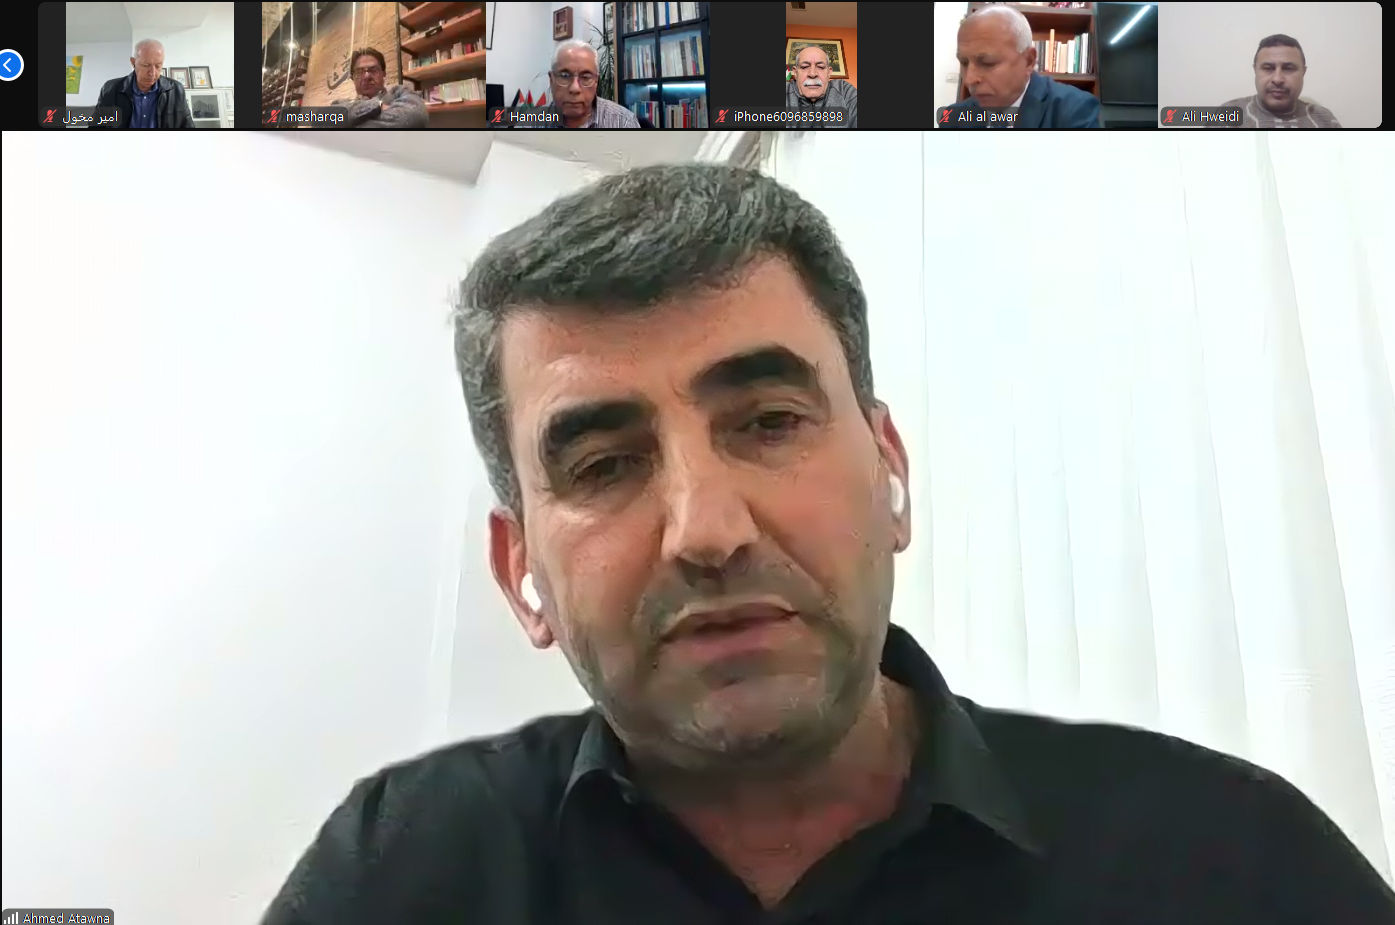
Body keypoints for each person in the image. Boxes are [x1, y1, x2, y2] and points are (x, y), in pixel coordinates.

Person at [261, 165, 1395, 924]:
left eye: (768, 422)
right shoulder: (406, 870)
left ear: (890, 473)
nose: (708, 530)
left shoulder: (1229, 862)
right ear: (522, 576)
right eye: (603, 465)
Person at [948, 5, 1100, 128]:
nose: (969, 79)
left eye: (988, 63)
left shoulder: (1074, 110)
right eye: (964, 62)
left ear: (1028, 61)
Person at [1220, 35, 1342, 128]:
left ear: (1303, 72)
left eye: (1288, 69)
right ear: (1255, 71)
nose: (1277, 79)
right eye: (1268, 68)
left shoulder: (1325, 119)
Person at [537, 39, 639, 128]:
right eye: (564, 76)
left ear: (596, 81)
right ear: (551, 80)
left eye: (585, 77)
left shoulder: (624, 122)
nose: (575, 88)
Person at [92, 39, 194, 129]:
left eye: (158, 66)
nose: (152, 73)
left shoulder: (176, 90)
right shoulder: (110, 89)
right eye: (146, 65)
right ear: (133, 62)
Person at [334, 48, 428, 129]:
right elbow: (326, 117)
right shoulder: (340, 103)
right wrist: (377, 105)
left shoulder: (401, 93)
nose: (367, 76)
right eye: (359, 72)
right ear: (352, 78)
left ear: (384, 73)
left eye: (374, 70)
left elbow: (415, 118)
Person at [785, 44, 858, 128]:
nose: (812, 74)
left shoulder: (844, 90)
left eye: (820, 67)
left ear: (829, 72)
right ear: (795, 72)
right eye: (804, 67)